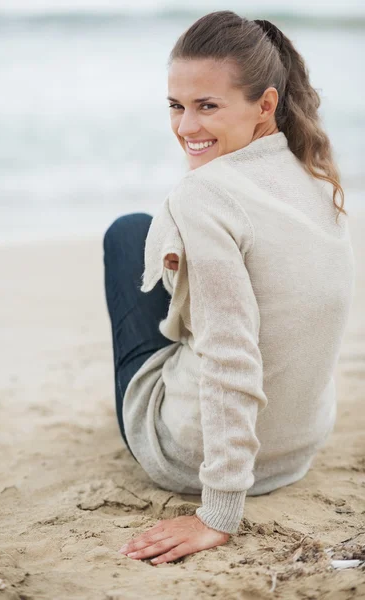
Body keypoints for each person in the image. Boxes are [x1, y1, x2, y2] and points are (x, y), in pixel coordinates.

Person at [103, 11, 355, 564]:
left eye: (207, 106)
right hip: (294, 452)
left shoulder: (205, 195)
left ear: (265, 105)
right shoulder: (316, 174)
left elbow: (230, 354)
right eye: (176, 105)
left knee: (127, 236)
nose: (186, 126)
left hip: (191, 457)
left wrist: (218, 510)